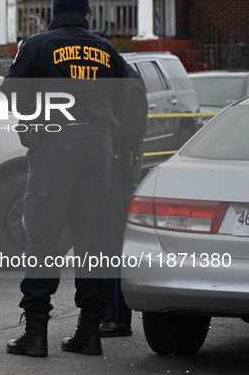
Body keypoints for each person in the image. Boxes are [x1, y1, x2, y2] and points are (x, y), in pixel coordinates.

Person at [0, 0, 131, 357]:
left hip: (57, 144)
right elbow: (125, 99)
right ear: (86, 16)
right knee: (93, 239)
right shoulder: (106, 49)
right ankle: (89, 331)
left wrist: (30, 126)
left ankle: (35, 333)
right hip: (99, 146)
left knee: (43, 234)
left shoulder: (39, 45)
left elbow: (9, 94)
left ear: (55, 15)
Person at [100, 62, 148, 338]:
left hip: (117, 169)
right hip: (109, 167)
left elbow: (126, 128)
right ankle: (107, 313)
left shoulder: (124, 77)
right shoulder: (118, 74)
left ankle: (118, 317)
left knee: (114, 243)